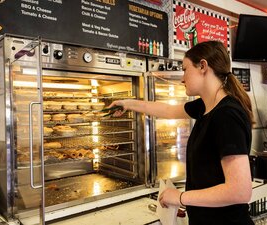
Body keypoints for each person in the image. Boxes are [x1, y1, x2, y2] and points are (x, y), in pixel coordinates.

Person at [108, 41, 254, 225]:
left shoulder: (227, 115)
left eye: (185, 69)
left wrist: (180, 197)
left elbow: (240, 191)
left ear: (203, 66)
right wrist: (128, 103)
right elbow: (167, 110)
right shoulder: (205, 107)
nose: (182, 78)